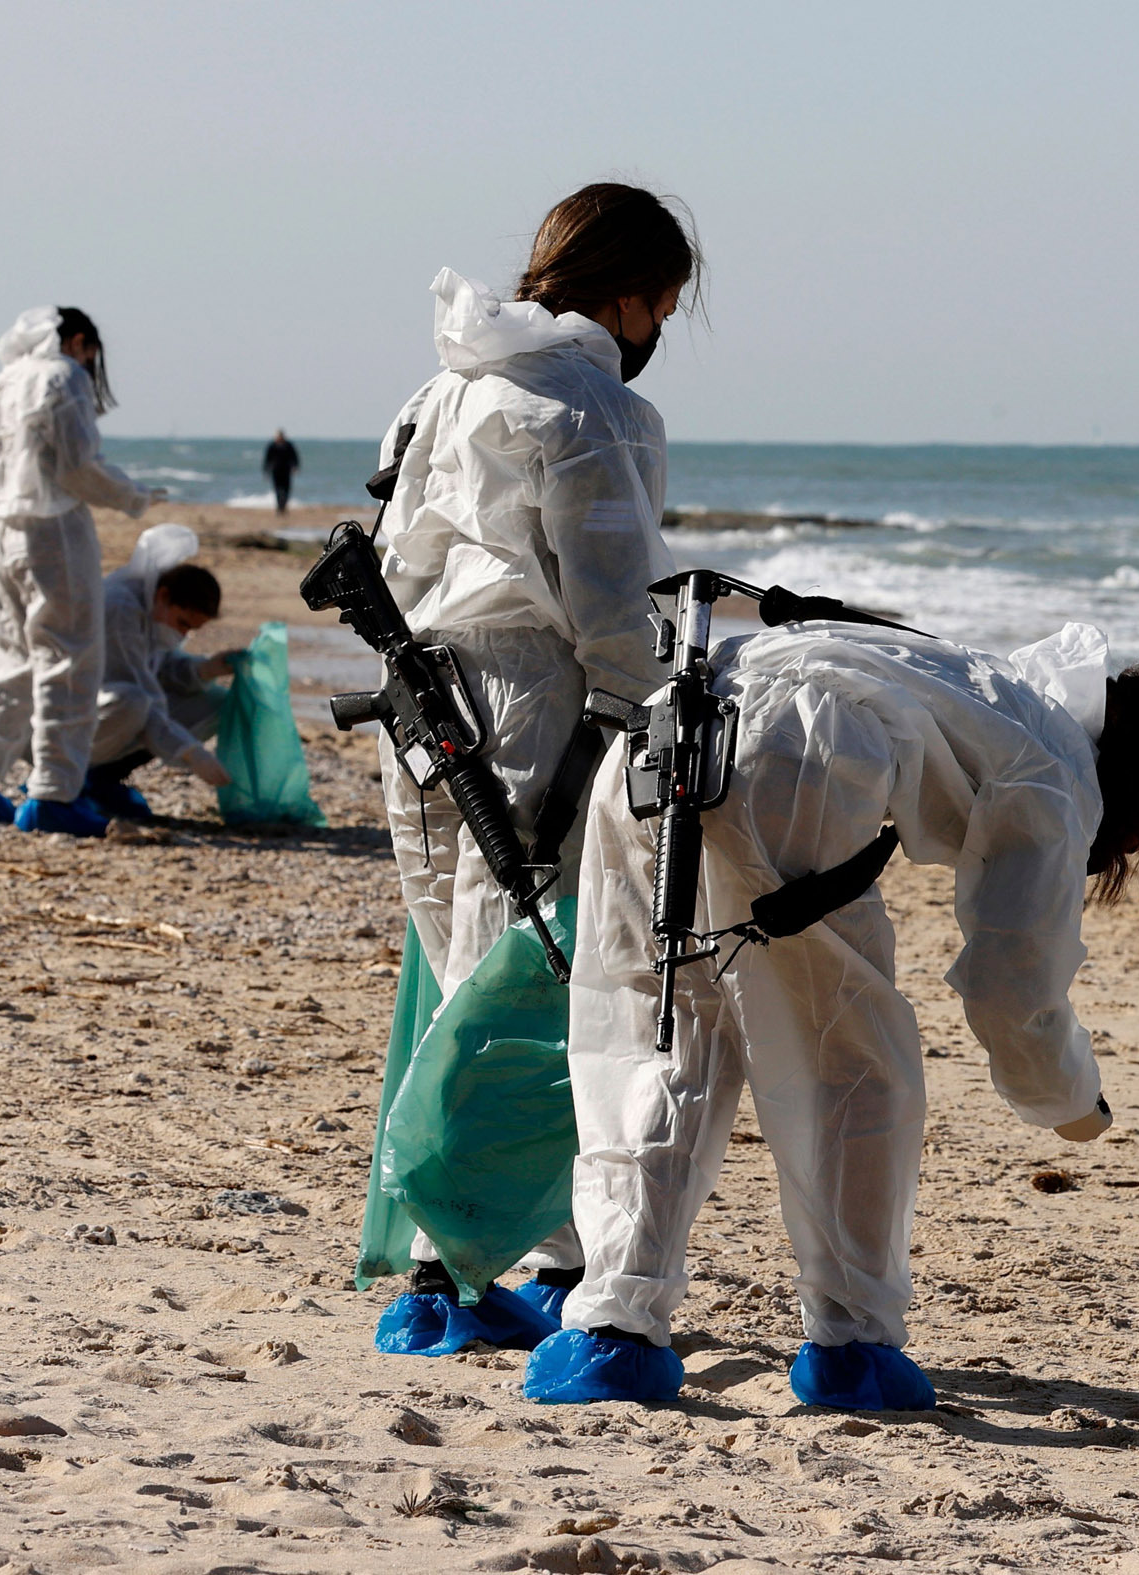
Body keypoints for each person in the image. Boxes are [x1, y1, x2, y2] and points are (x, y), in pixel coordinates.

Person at [525, 623, 1139, 1411]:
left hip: (657, 737)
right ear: (1131, 783)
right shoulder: (1057, 763)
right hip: (792, 753)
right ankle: (852, 1342)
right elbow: (1014, 979)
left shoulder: (979, 685)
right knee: (855, 1070)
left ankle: (613, 1333)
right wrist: (1069, 1099)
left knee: (659, 1045)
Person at [363, 184, 694, 1342]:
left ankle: (522, 1254)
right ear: (632, 293)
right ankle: (447, 1275)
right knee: (543, 980)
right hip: (534, 702)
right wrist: (646, 710)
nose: (659, 330)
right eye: (665, 305)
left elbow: (398, 558)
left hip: (424, 698)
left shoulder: (446, 385)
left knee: (467, 971)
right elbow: (612, 601)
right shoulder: (593, 405)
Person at [0, 307, 164, 837]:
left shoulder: (0, 384)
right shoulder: (62, 377)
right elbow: (76, 466)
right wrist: (133, 496)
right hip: (52, 532)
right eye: (91, 353)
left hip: (1, 533)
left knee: (16, 656)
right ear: (78, 341)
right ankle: (54, 791)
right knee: (69, 660)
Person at [83, 523, 235, 821]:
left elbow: (159, 667)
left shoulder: (151, 607)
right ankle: (77, 777)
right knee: (135, 703)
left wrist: (204, 669)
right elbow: (136, 692)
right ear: (165, 596)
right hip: (74, 719)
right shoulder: (120, 609)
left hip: (113, 709)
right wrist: (191, 752)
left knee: (216, 701)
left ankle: (104, 778)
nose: (182, 634)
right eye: (183, 624)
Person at [262, 428, 301, 514]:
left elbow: (295, 457)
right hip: (275, 471)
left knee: (286, 490)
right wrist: (266, 470)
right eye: (278, 436)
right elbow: (267, 459)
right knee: (277, 490)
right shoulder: (272, 445)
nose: (279, 437)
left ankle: (283, 506)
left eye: (281, 436)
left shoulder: (288, 445)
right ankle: (279, 507)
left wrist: (296, 467)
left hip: (286, 471)